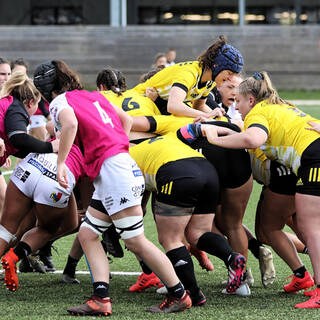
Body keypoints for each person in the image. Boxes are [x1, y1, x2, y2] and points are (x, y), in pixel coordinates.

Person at [33, 60, 192, 316]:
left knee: (136, 241)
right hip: (118, 169)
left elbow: (71, 125)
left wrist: (61, 163)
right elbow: (126, 120)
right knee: (87, 235)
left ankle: (179, 294)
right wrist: (118, 149)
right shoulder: (92, 96)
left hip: (115, 174)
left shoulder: (59, 102)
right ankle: (100, 298)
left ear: (45, 89)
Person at [202, 71, 320, 308]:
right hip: (305, 161)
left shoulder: (258, 112)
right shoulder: (280, 105)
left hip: (312, 160)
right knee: (271, 228)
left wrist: (215, 139)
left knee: (311, 228)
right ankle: (302, 277)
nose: (237, 106)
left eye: (239, 101)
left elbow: (252, 139)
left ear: (251, 100)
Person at [129, 128, 247, 304]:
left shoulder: (123, 156)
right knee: (197, 234)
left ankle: (193, 293)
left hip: (176, 173)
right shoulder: (159, 140)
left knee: (170, 239)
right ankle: (232, 256)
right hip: (207, 170)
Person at [1, 143, 85, 291]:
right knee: (47, 229)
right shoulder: (97, 144)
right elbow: (90, 204)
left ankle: (27, 252)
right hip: (59, 177)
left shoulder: (68, 123)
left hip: (32, 164)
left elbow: (50, 128)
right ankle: (15, 256)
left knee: (8, 229)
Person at [133, 35, 243, 118]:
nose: (231, 78)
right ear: (216, 65)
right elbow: (173, 106)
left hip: (151, 107)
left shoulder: (210, 82)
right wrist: (207, 116)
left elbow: (198, 106)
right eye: (230, 73)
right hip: (137, 100)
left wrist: (223, 119)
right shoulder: (189, 73)